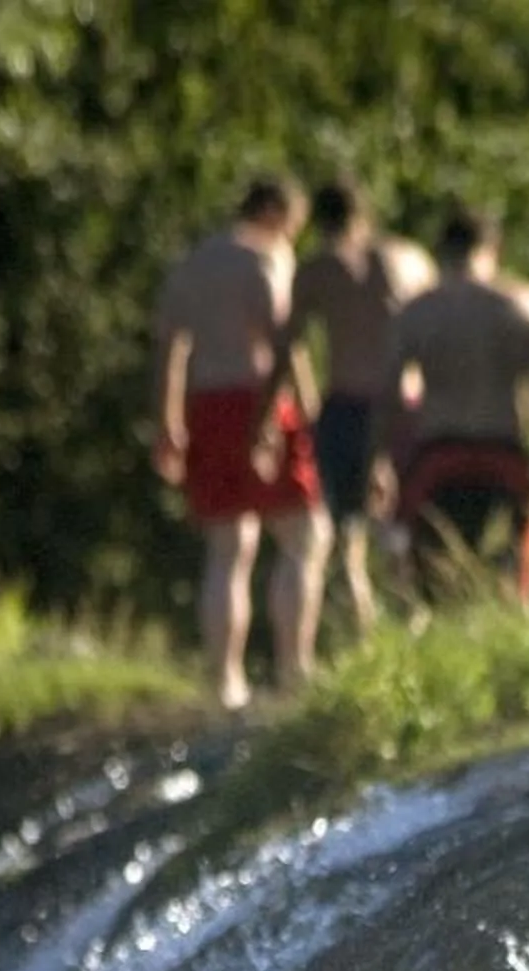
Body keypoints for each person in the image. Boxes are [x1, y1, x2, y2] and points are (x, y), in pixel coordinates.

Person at [150, 176, 333, 707]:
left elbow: (170, 349)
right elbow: (285, 343)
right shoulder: (266, 258)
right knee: (304, 535)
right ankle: (294, 670)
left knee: (227, 547)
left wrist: (168, 421)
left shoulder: (193, 263)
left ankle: (225, 681)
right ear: (275, 211)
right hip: (260, 401)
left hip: (206, 402)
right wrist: (304, 411)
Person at [376, 203, 529, 607]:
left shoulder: (417, 311)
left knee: (432, 586)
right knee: (513, 583)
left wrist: (377, 463)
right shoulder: (526, 305)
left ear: (442, 250)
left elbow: (389, 399)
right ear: (494, 248)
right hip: (504, 455)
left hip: (436, 459)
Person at [288, 177, 435, 640]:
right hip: (407, 405)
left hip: (346, 405)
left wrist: (295, 409)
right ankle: (415, 628)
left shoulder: (317, 269)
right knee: (399, 528)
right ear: (364, 213)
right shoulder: (410, 259)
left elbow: (288, 345)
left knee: (348, 539)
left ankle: (369, 643)